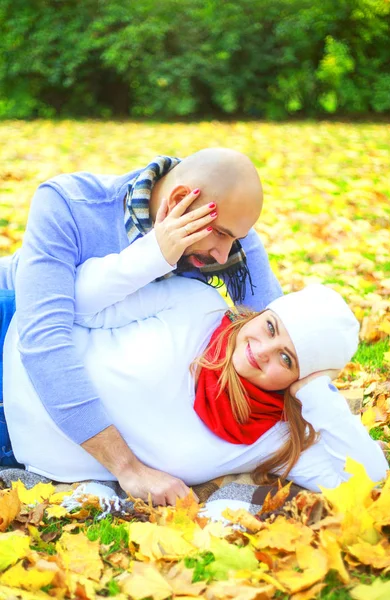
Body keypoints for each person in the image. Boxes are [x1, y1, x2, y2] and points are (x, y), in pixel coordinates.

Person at [3, 248, 388, 504]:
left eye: (286, 359)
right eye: (271, 328)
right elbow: (78, 305)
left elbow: (367, 479)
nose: (262, 350)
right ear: (262, 314)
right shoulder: (197, 306)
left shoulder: (274, 437)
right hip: (14, 340)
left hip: (12, 444)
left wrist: (317, 394)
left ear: (299, 378)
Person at [0, 149, 282, 496]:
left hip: (61, 413)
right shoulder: (70, 204)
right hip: (10, 335)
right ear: (180, 199)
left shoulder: (225, 224)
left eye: (235, 239)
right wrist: (128, 468)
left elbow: (284, 327)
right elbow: (43, 342)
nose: (225, 256)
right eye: (222, 235)